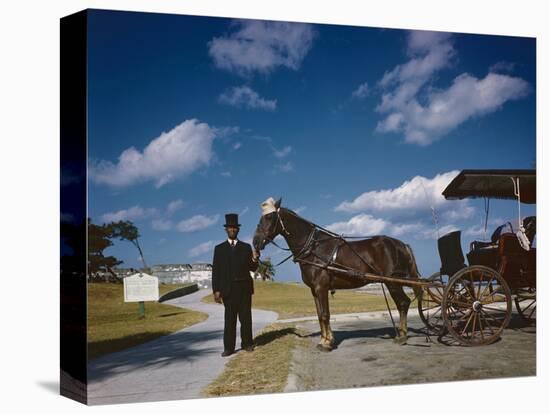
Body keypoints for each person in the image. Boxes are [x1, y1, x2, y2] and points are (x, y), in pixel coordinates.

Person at [212, 213, 260, 357]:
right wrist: (216, 290)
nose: (232, 230)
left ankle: (247, 344)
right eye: (230, 228)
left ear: (238, 230)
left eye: (234, 228)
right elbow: (216, 271)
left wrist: (255, 258)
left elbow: (252, 268)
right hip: (228, 290)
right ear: (226, 230)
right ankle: (229, 348)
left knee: (246, 318)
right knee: (230, 320)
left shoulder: (246, 247)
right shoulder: (219, 249)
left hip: (244, 289)